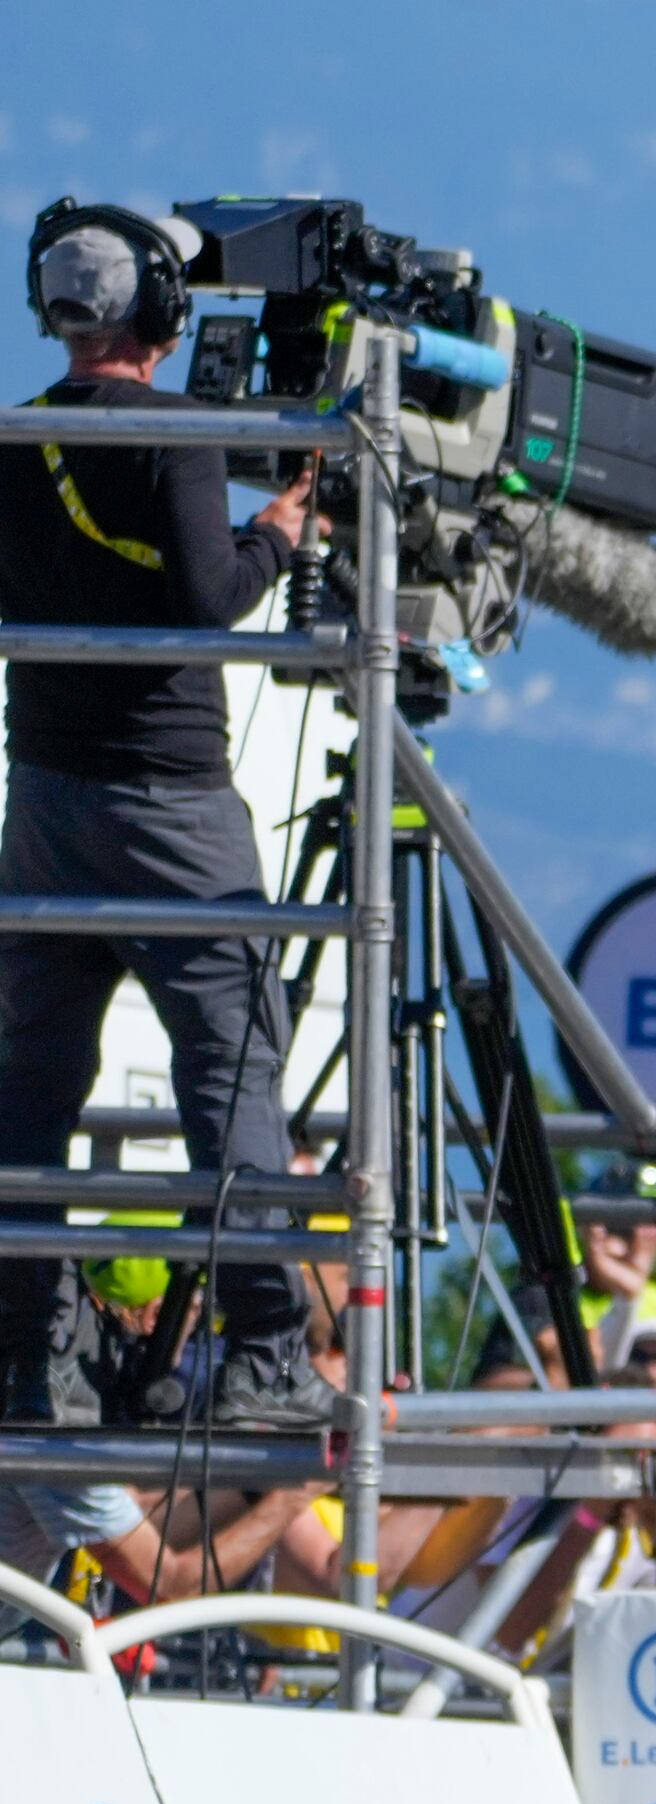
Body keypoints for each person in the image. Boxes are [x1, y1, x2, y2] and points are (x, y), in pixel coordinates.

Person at [0, 210, 324, 1430]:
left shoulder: (15, 435)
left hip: (43, 800)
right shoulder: (177, 432)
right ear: (160, 314)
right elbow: (208, 599)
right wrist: (279, 534)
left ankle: (26, 1355)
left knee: (32, 1083)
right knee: (230, 1060)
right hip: (171, 806)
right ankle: (267, 1351)